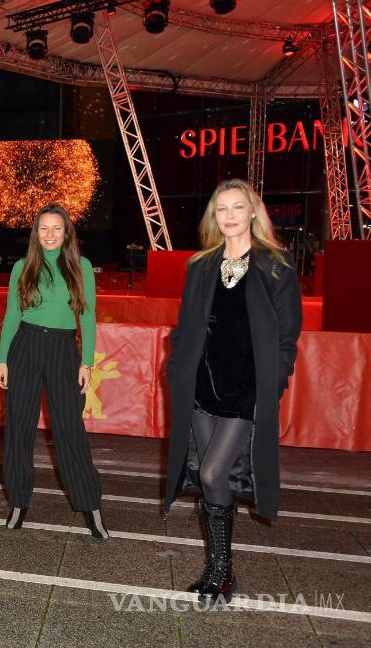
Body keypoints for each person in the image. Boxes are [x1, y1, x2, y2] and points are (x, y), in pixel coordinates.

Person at [164, 179, 302, 603]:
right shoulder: (200, 265)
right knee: (210, 482)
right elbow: (187, 326)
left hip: (246, 391)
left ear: (253, 213)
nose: (229, 216)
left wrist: (271, 384)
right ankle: (215, 570)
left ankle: (222, 572)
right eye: (221, 208)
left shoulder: (276, 266)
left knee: (212, 473)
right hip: (202, 386)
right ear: (213, 216)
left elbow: (286, 337)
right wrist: (176, 368)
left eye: (237, 208)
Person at [0, 204, 109, 540]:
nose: (49, 234)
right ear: (36, 232)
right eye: (44, 228)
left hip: (63, 350)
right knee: (18, 428)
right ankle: (18, 502)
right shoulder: (22, 267)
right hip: (25, 348)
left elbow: (87, 318)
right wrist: (3, 360)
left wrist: (86, 362)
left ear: (66, 232)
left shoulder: (82, 267)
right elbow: (12, 316)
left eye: (56, 228)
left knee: (70, 430)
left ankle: (90, 506)